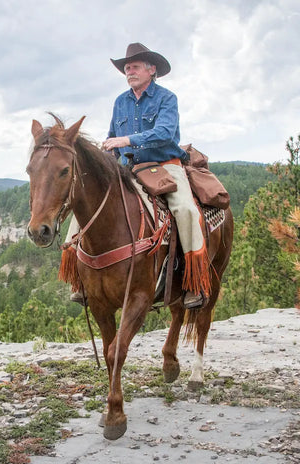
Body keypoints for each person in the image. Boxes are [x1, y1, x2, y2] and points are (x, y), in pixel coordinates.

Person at [101, 42, 208, 309]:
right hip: (129, 168)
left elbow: (165, 133)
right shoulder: (120, 102)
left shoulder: (166, 98)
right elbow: (112, 137)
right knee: (93, 200)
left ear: (152, 70)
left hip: (165, 165)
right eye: (126, 68)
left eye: (134, 66)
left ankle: (194, 281)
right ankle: (79, 274)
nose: (129, 72)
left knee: (185, 209)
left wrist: (127, 139)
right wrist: (106, 152)